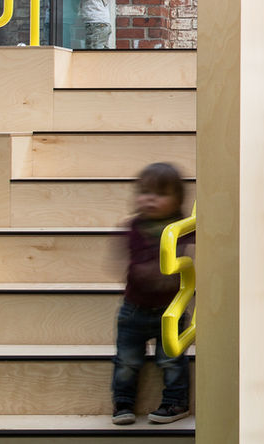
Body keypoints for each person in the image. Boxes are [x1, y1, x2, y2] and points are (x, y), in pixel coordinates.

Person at [111, 163, 194, 425]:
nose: (149, 198)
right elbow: (121, 258)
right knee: (126, 361)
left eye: (160, 194)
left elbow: (193, 259)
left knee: (171, 360)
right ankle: (123, 403)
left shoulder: (184, 229)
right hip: (133, 308)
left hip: (170, 309)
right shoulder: (134, 226)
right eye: (144, 192)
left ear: (178, 200)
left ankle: (175, 403)